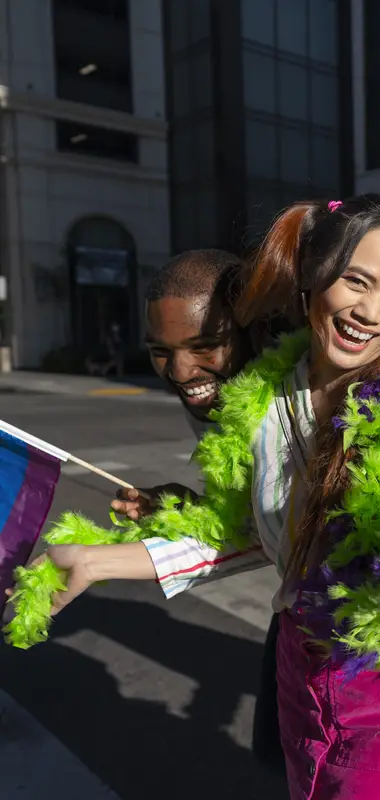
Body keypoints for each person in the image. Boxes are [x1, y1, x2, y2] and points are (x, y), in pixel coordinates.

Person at [9, 195, 380, 799]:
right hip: (300, 668)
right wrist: (92, 561)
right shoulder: (266, 398)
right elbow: (250, 535)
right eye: (357, 282)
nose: (370, 312)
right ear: (313, 283)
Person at [114, 248, 284, 772]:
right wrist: (186, 505)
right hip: (302, 607)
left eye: (204, 345)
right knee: (280, 754)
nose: (181, 371)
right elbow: (252, 509)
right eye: (160, 351)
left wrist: (104, 562)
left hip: (372, 627)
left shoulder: (294, 397)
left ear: (251, 331)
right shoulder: (214, 391)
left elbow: (274, 531)